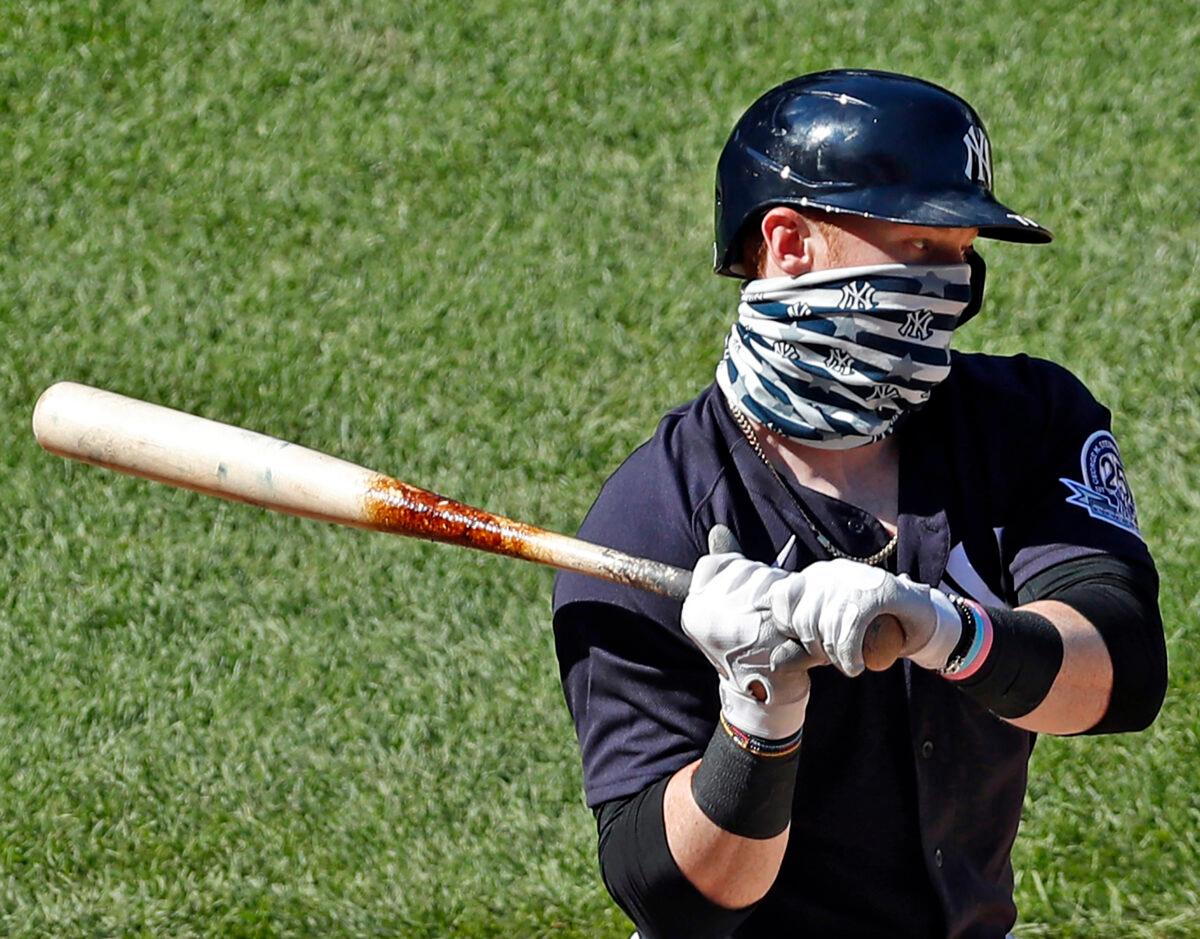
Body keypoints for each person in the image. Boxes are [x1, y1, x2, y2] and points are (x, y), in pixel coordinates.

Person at [551, 70, 1167, 938]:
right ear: (790, 244)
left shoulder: (1028, 420)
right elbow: (671, 897)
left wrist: (947, 630)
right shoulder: (653, 517)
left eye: (963, 253)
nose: (953, 285)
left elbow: (1123, 670)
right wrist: (759, 706)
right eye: (920, 249)